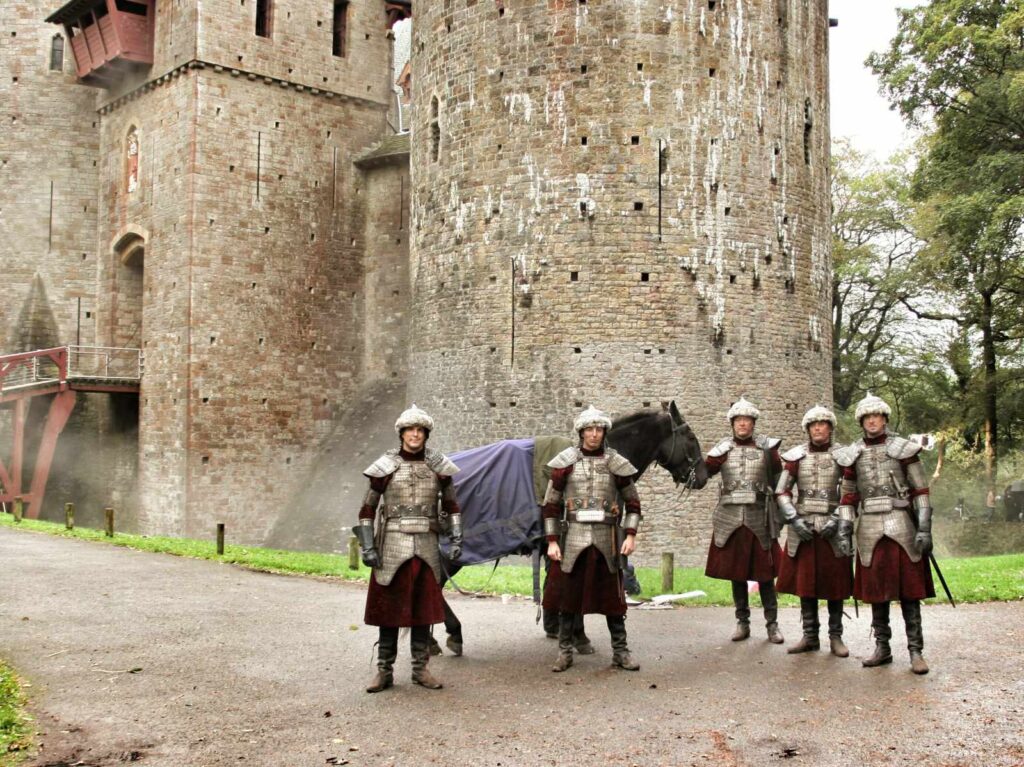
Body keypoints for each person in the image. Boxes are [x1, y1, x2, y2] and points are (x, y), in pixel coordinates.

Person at [353, 404, 463, 692]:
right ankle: (384, 670)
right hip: (391, 544)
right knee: (389, 610)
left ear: (426, 434)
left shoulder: (439, 467)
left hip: (426, 544)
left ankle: (420, 669)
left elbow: (452, 506)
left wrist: (457, 539)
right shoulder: (384, 468)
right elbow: (367, 509)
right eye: (410, 430)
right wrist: (367, 546)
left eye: (420, 430)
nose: (415, 435)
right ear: (401, 433)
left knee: (423, 610)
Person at [835, 393, 935, 675]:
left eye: (876, 416)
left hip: (901, 524)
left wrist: (925, 528)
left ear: (885, 419)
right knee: (877, 592)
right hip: (868, 527)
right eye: (867, 418)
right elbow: (847, 497)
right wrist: (844, 530)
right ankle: (883, 647)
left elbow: (920, 491)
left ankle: (916, 651)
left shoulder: (904, 449)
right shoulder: (852, 454)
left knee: (908, 593)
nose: (872, 421)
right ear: (861, 422)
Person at [542, 405, 642, 672]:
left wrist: (630, 535)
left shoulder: (616, 463)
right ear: (581, 432)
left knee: (613, 600)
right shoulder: (565, 463)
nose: (594, 434)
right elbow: (551, 505)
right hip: (572, 540)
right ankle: (565, 652)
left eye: (599, 429)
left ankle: (620, 651)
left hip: (607, 539)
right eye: (590, 429)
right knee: (568, 599)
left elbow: (633, 504)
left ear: (604, 432)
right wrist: (552, 541)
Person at [704, 397, 784, 643]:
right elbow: (702, 474)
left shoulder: (768, 450)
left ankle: (772, 625)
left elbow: (780, 481)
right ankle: (742, 622)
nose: (742, 424)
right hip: (729, 517)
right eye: (738, 420)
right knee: (737, 573)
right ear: (732, 423)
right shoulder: (721, 451)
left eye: (747, 420)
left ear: (753, 423)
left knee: (765, 574)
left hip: (759, 515)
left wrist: (780, 513)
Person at [774, 406, 853, 656]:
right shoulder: (795, 457)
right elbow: (782, 491)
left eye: (823, 424)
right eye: (813, 425)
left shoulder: (844, 456)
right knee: (805, 584)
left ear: (830, 428)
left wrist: (838, 518)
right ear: (808, 429)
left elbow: (851, 493)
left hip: (833, 526)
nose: (818, 428)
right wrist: (793, 519)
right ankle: (810, 636)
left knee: (834, 584)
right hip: (803, 525)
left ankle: (836, 637)